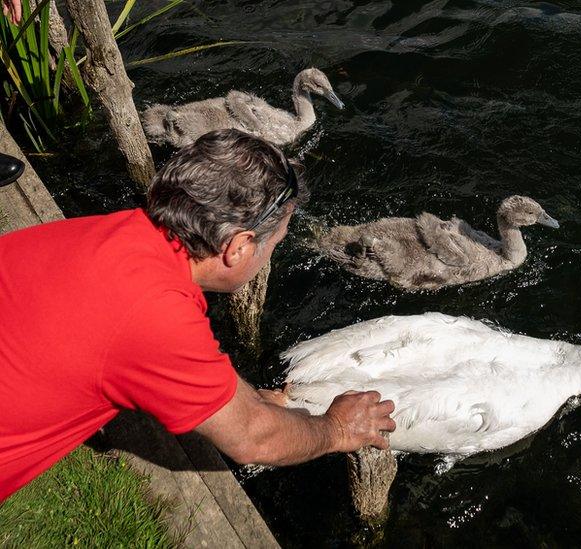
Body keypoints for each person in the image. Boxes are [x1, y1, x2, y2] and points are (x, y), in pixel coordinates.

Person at [0, 129, 395, 502]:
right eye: (276, 242)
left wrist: (249, 402)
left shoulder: (118, 234)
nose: (272, 253)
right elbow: (253, 439)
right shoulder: (156, 313)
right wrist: (337, 429)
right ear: (239, 247)